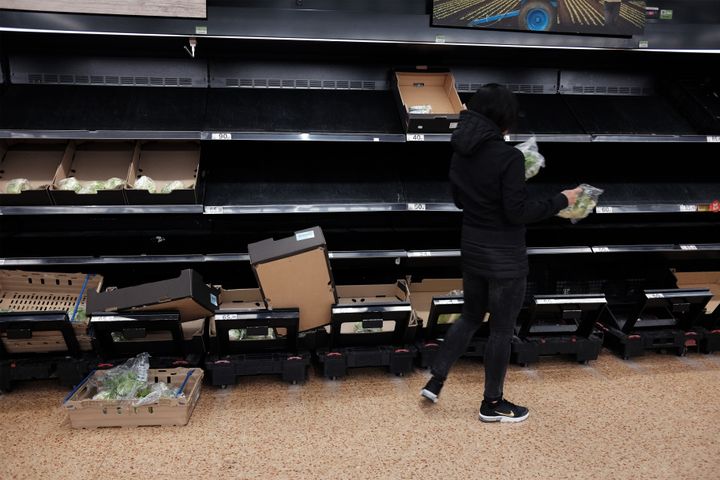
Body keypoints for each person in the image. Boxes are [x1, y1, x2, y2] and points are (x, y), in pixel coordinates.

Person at [420, 84, 582, 423]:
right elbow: (518, 212)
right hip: (505, 256)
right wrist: (561, 201)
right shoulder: (509, 157)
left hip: (473, 246)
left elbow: (460, 200)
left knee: (470, 316)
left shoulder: (461, 150)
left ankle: (436, 380)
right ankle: (492, 404)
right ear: (503, 119)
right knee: (500, 330)